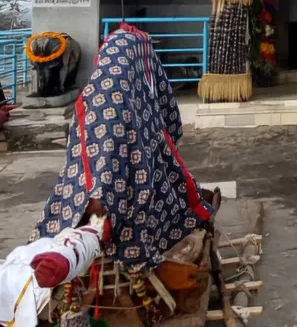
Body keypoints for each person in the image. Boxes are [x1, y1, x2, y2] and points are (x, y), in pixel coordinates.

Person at [32, 23, 213, 273]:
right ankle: (81, 243)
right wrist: (103, 196)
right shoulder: (116, 94)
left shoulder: (126, 85)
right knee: (117, 193)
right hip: (110, 189)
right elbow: (166, 122)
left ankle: (85, 233)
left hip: (116, 183)